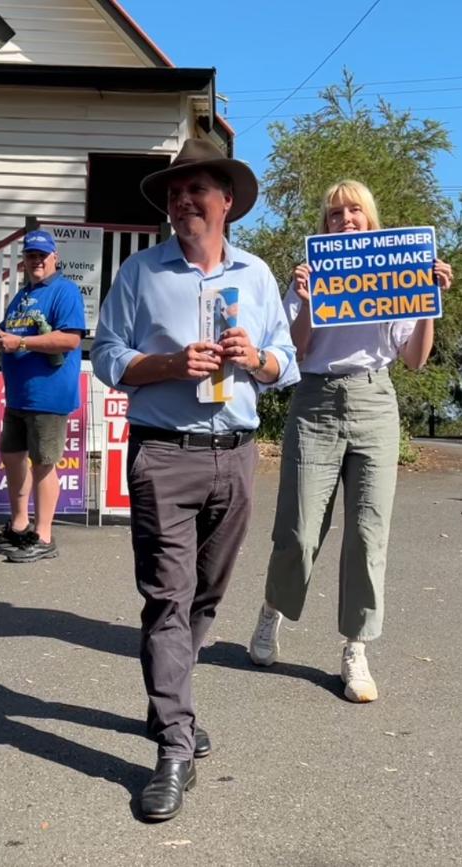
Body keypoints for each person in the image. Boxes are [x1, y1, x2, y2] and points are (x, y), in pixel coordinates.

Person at [91, 138, 299, 821]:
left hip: (236, 453)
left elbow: (287, 364)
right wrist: (168, 364)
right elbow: (107, 356)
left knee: (206, 596)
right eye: (174, 192)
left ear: (226, 201)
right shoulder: (142, 274)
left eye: (196, 190)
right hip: (165, 455)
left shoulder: (258, 276)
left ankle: (169, 698)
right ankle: (175, 744)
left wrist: (259, 358)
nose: (182, 201)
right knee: (166, 597)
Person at [249, 179, 454, 703]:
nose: (345, 220)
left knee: (368, 533)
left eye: (354, 211)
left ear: (370, 218)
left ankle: (356, 646)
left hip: (375, 402)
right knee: (297, 529)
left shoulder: (397, 272)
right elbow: (295, 350)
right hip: (315, 401)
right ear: (325, 224)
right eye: (335, 213)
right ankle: (274, 608)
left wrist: (429, 300)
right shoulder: (308, 276)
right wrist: (303, 301)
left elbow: (413, 359)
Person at [0, 229, 85, 563]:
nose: (36, 261)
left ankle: (44, 536)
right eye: (30, 256)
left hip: (49, 394)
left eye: (42, 255)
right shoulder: (23, 295)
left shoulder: (64, 291)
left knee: (43, 465)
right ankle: (19, 525)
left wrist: (21, 343)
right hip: (18, 394)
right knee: (12, 458)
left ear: (55, 257)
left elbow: (70, 340)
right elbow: (7, 336)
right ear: (24, 261)